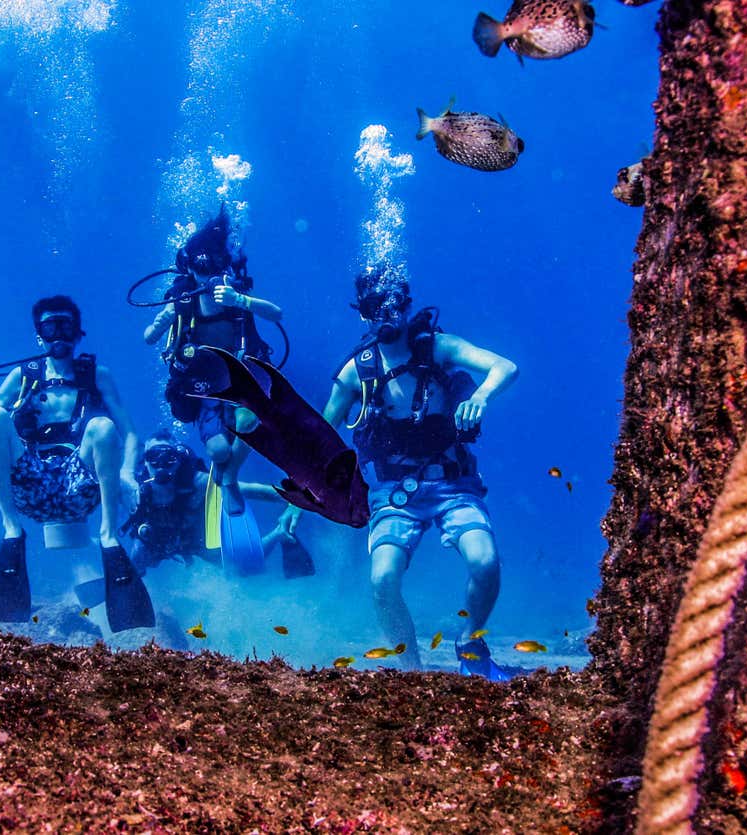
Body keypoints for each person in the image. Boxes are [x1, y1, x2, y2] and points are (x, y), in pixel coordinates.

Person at [281, 266, 518, 679]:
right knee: (383, 580)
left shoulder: (440, 348)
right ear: (363, 313)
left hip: (452, 484)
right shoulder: (356, 372)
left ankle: (470, 643)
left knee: (485, 561)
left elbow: (505, 366)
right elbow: (320, 437)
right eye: (376, 307)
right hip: (393, 495)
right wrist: (300, 497)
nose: (386, 316)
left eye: (394, 305)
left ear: (408, 306)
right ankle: (411, 672)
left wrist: (480, 395)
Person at [0, 295, 153, 632]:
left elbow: (130, 434)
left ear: (78, 334)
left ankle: (108, 535)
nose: (58, 334)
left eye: (66, 325)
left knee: (103, 427)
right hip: (30, 484)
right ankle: (11, 528)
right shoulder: (23, 376)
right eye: (50, 326)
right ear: (39, 336)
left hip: (80, 486)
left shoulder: (96, 376)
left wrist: (125, 475)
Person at [141, 207, 284, 572]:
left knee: (249, 422)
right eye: (200, 266)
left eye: (214, 266)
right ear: (188, 267)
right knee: (219, 449)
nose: (208, 274)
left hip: (241, 381)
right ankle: (228, 476)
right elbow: (148, 336)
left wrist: (242, 301)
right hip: (203, 388)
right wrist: (165, 320)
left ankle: (231, 480)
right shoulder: (183, 303)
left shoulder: (236, 299)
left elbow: (277, 314)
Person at [73, 429, 308, 607]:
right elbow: (95, 491)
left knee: (242, 567)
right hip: (152, 543)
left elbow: (246, 489)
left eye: (168, 457)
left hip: (196, 541)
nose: (161, 465)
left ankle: (279, 533)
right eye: (154, 458)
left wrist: (295, 497)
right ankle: (116, 585)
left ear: (178, 459)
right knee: (131, 569)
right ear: (144, 461)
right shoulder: (133, 489)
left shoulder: (199, 482)